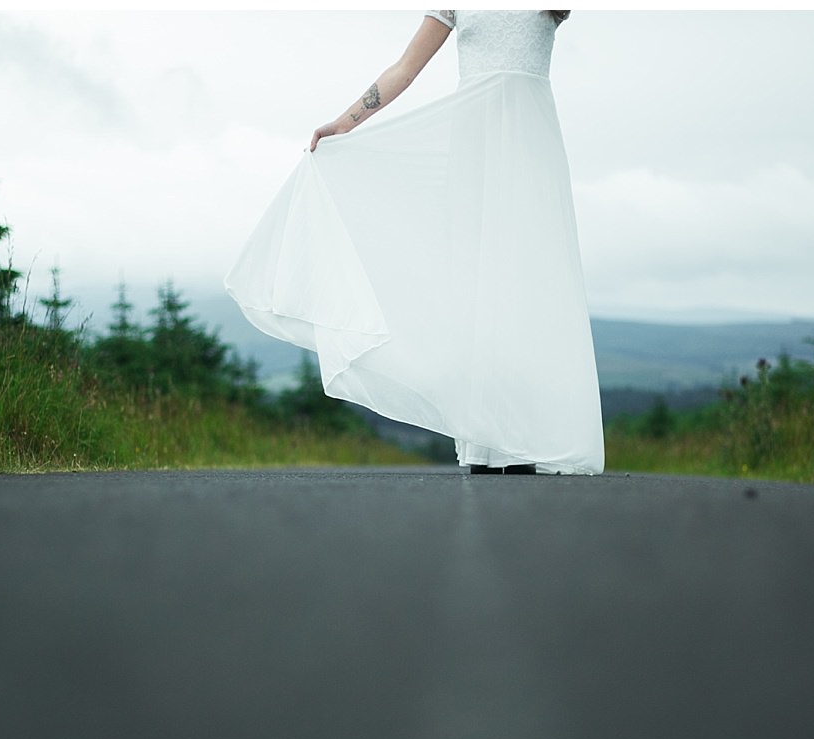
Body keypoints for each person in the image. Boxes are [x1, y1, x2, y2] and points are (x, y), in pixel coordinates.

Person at [225, 11, 604, 475]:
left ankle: (524, 439)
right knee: (476, 286)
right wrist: (345, 122)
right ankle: (487, 442)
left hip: (530, 139)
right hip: (474, 141)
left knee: (525, 284)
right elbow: (405, 68)